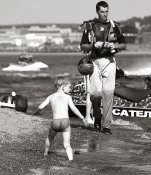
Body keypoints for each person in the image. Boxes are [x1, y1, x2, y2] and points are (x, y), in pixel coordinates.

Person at [80, 1, 126, 134]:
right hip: (94, 62)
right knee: (95, 94)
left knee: (108, 93)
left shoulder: (115, 25)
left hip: (110, 62)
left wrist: (114, 46)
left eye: (107, 12)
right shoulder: (89, 26)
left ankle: (106, 126)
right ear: (97, 12)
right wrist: (94, 46)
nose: (105, 14)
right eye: (102, 12)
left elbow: (123, 45)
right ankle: (97, 116)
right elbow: (83, 46)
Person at [34, 77, 87, 161]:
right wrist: (82, 118)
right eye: (69, 87)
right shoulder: (67, 97)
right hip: (65, 121)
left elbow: (41, 106)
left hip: (55, 122)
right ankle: (70, 160)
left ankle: (45, 153)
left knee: (50, 138)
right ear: (63, 87)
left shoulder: (51, 97)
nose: (70, 89)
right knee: (67, 145)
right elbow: (74, 109)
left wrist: (36, 112)